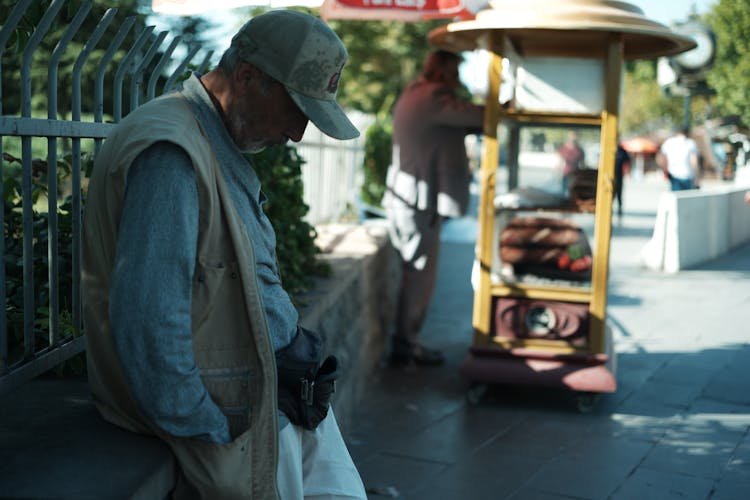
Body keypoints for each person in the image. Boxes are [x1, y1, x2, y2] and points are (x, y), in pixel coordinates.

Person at [82, 10, 366, 499]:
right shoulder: (171, 152)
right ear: (247, 76)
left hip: (270, 407)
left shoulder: (209, 138)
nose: (298, 134)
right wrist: (213, 436)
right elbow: (150, 328)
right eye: (297, 110)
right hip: (236, 427)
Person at [383, 50, 484, 366]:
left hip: (405, 198)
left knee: (415, 274)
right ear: (442, 71)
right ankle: (407, 344)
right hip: (418, 201)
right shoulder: (435, 96)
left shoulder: (414, 92)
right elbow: (477, 117)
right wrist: (501, 106)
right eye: (455, 72)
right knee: (419, 277)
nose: (458, 80)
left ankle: (407, 341)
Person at [657, 125, 700, 191]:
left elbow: (662, 159)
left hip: (673, 175)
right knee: (688, 198)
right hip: (688, 175)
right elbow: (694, 162)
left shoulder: (668, 142)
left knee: (676, 198)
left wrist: (665, 171)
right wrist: (697, 178)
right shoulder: (690, 143)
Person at [558, 131, 585, 196]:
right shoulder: (564, 148)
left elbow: (583, 164)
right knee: (564, 192)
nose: (573, 138)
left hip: (576, 174)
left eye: (575, 136)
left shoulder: (580, 150)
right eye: (572, 136)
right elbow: (559, 161)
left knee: (574, 193)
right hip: (566, 174)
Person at [614, 141, 630, 217]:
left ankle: (619, 209)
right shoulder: (609, 148)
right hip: (611, 175)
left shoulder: (622, 151)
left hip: (619, 175)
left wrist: (627, 171)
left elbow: (627, 161)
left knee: (619, 193)